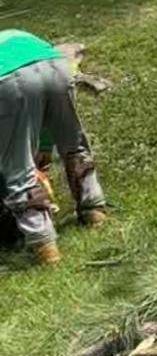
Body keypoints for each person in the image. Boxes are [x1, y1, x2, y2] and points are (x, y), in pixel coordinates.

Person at [0, 29, 106, 266]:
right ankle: (94, 210)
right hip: (55, 64)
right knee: (73, 145)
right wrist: (44, 146)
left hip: (6, 77)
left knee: (18, 170)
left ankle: (43, 245)